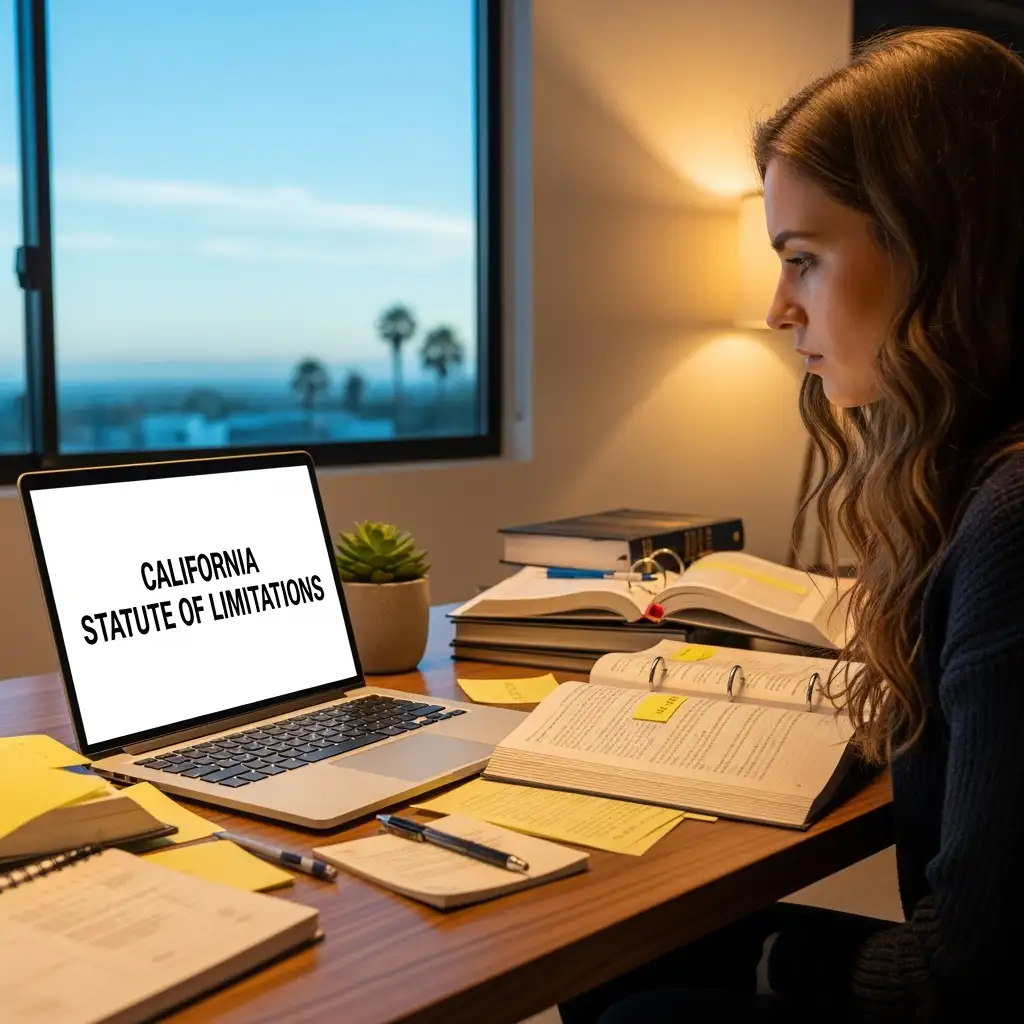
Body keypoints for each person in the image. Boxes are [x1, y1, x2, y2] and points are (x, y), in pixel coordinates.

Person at [560, 25, 1024, 1023]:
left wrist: (778, 964)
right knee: (611, 958)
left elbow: (972, 973)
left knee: (640, 1002)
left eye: (803, 260)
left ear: (932, 252)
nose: (778, 308)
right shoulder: (979, 478)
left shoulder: (1012, 518)